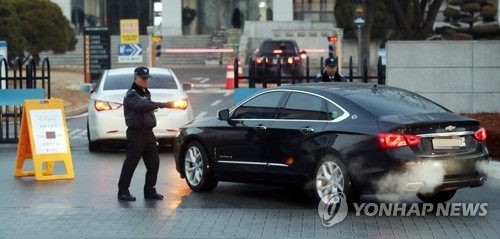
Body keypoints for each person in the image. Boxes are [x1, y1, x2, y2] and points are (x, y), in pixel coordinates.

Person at [117, 67, 169, 201]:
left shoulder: (146, 92)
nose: (146, 80)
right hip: (136, 133)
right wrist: (162, 104)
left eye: (147, 78)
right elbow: (142, 106)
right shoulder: (131, 94)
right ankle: (123, 191)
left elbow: (147, 105)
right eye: (143, 78)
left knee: (154, 163)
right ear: (135, 78)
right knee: (131, 163)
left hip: (148, 133)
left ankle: (149, 190)